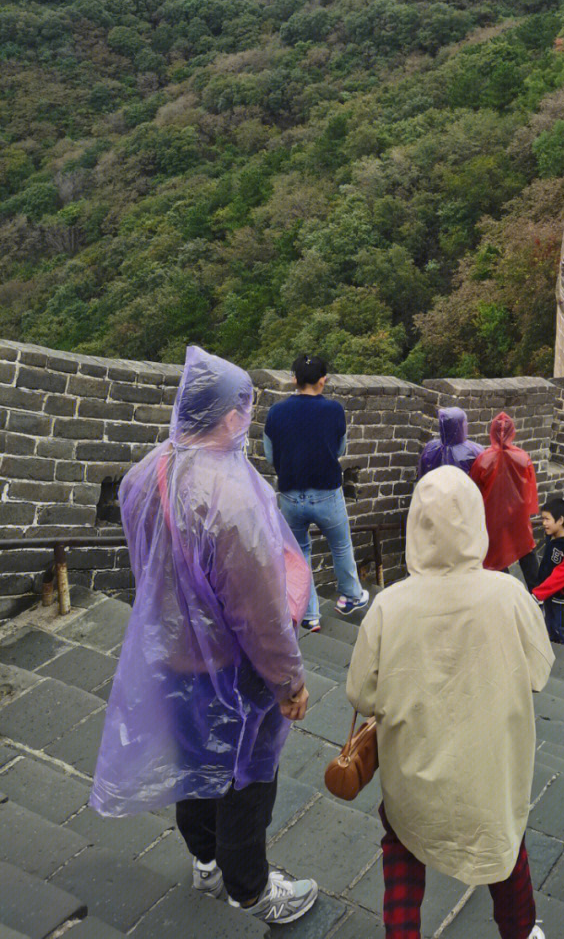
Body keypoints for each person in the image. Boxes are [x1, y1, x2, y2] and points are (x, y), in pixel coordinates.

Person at [89, 347, 318, 924]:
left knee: (192, 760)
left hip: (170, 654)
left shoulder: (146, 471)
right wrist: (288, 680)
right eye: (244, 409)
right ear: (227, 416)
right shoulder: (233, 496)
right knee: (246, 779)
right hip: (230, 667)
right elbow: (260, 611)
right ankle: (250, 889)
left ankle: (204, 862)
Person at [346, 466, 553, 939]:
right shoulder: (510, 595)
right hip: (491, 776)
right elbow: (539, 672)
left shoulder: (388, 606)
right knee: (506, 852)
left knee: (400, 847)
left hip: (413, 778)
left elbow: (360, 694)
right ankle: (519, 932)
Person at [264, 354, 368, 633]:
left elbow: (270, 455)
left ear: (294, 379)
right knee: (341, 545)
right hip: (327, 495)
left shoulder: (275, 412)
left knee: (300, 555)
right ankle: (350, 596)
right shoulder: (334, 410)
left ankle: (309, 615)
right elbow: (340, 450)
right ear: (323, 380)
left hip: (290, 496)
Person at [470, 412, 540, 588]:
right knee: (525, 549)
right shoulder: (523, 457)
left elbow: (474, 488)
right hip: (517, 515)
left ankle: (505, 589)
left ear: (491, 432)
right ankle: (539, 592)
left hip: (492, 516)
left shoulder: (483, 459)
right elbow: (530, 490)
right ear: (513, 432)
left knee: (494, 556)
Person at [532, 495, 564, 648]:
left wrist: (539, 593)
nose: (544, 523)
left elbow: (560, 576)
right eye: (543, 519)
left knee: (563, 621)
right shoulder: (553, 536)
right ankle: (554, 639)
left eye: (547, 519)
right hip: (550, 593)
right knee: (550, 619)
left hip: (562, 594)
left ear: (560, 521)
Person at [418, 407, 483, 478]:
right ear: (460, 426)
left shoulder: (430, 448)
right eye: (464, 422)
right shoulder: (475, 450)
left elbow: (422, 476)